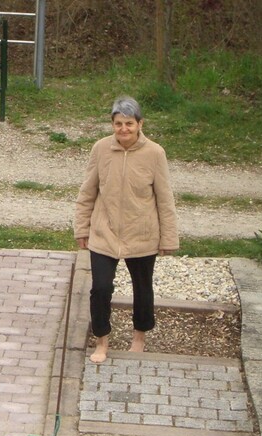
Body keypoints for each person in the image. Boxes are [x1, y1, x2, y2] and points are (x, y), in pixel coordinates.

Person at [74, 95, 179, 364]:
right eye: (118, 124)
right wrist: (81, 228)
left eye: (129, 124)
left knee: (142, 288)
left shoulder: (155, 153)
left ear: (140, 124)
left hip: (141, 233)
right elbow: (87, 192)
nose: (124, 129)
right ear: (112, 124)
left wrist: (168, 237)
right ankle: (101, 341)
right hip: (104, 232)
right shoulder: (100, 149)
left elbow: (165, 199)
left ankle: (139, 338)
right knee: (101, 288)